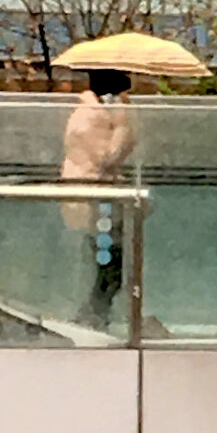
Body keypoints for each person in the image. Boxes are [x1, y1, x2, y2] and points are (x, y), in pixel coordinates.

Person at [59, 66, 136, 330]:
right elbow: (109, 155)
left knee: (98, 260)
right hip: (101, 201)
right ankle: (93, 316)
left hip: (83, 195)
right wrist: (123, 124)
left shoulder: (82, 111)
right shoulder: (101, 115)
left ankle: (93, 314)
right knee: (109, 263)